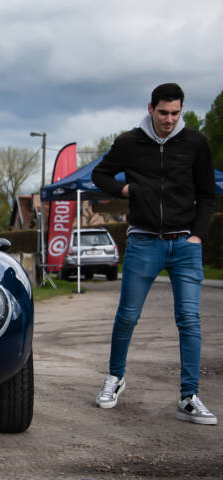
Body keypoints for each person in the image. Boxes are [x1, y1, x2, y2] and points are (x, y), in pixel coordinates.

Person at [92, 83, 217, 425]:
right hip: (144, 242)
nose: (169, 119)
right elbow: (99, 174)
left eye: (175, 113)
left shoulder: (195, 143)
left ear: (181, 111)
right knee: (127, 316)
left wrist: (198, 236)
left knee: (189, 320)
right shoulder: (130, 142)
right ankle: (115, 379)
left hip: (185, 246)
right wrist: (123, 188)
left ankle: (188, 396)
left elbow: (207, 194)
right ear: (151, 108)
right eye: (163, 112)